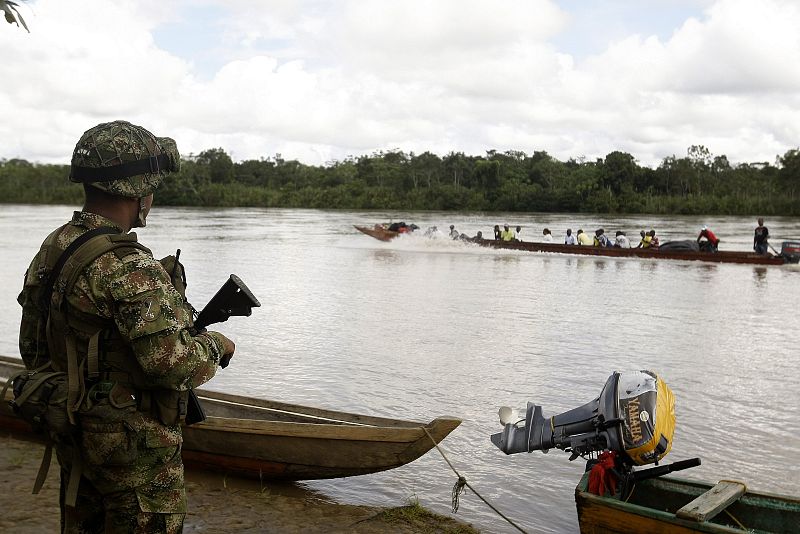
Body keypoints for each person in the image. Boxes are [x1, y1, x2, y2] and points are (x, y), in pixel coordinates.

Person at [15, 120, 236, 532]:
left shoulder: (55, 246)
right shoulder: (128, 263)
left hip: (75, 428)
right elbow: (173, 365)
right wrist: (217, 346)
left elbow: (33, 346)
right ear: (140, 190)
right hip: (133, 447)